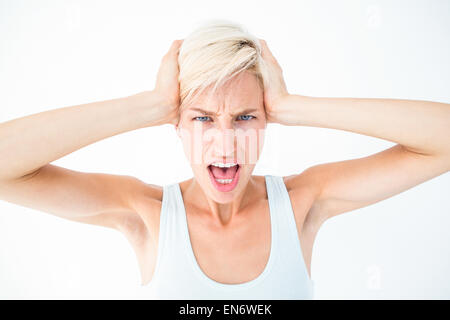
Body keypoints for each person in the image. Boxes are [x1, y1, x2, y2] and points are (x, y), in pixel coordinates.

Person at [0, 20, 449, 300]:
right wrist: (152, 105)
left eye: (245, 116)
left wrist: (295, 107)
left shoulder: (303, 202)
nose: (226, 144)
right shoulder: (147, 214)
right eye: (202, 119)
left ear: (267, 118)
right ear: (176, 123)